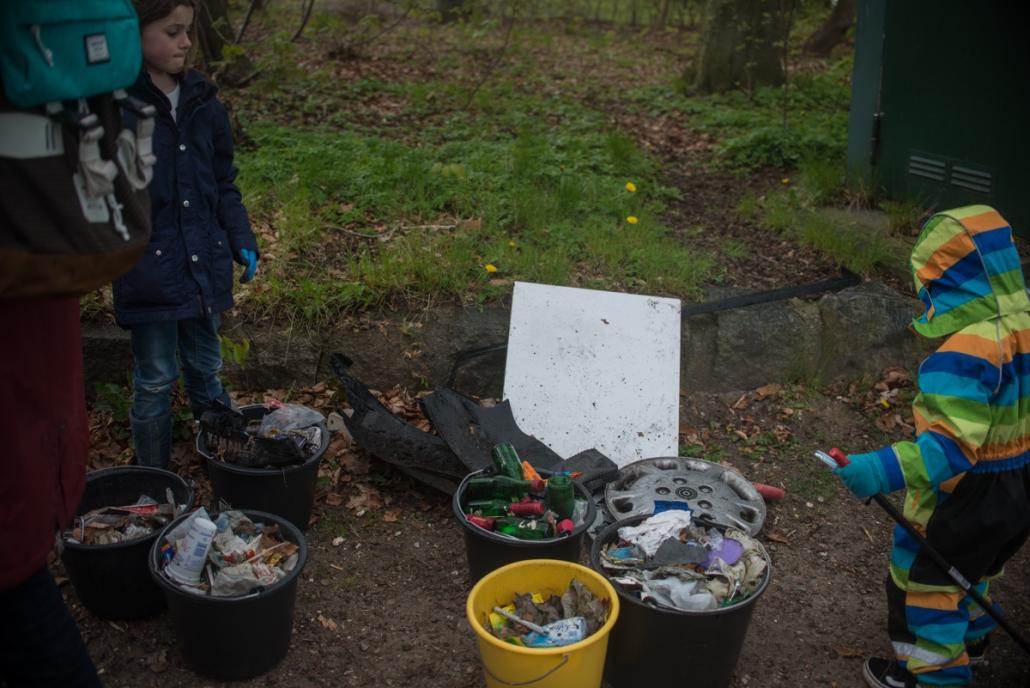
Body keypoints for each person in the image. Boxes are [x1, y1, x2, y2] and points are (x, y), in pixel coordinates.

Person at [834, 205, 1030, 688]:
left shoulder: (963, 355)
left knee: (928, 581)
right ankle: (976, 635)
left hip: (969, 496)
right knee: (973, 568)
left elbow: (948, 452)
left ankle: (932, 675)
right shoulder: (1023, 327)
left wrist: (876, 469)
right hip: (1020, 485)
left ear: (939, 281)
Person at [116, 0, 259, 468]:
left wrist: (241, 237)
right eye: (172, 31)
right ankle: (154, 481)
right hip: (147, 272)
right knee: (155, 378)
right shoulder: (117, 108)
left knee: (205, 368)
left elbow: (223, 183)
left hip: (204, 268)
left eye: (188, 32)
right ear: (135, 35)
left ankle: (222, 463)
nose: (185, 42)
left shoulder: (205, 103)